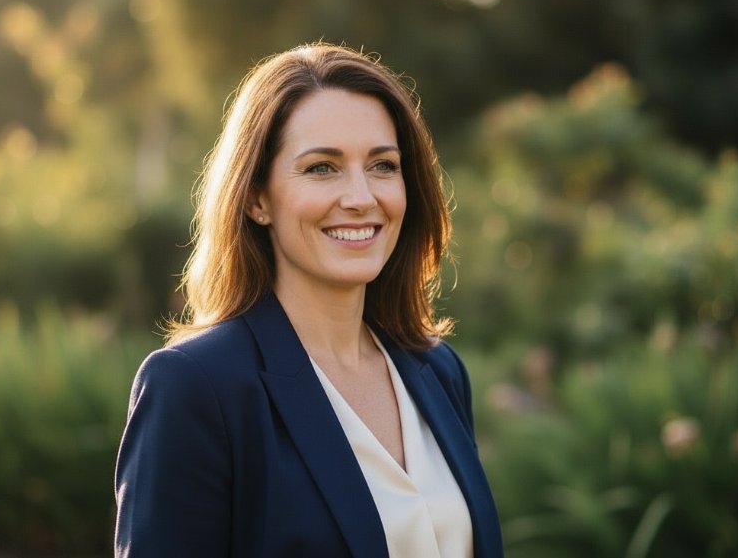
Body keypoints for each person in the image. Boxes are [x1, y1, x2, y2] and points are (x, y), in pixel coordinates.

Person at [114, 43, 503, 558]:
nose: (362, 197)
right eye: (322, 168)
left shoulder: (437, 369)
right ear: (256, 198)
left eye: (383, 165)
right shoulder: (195, 387)